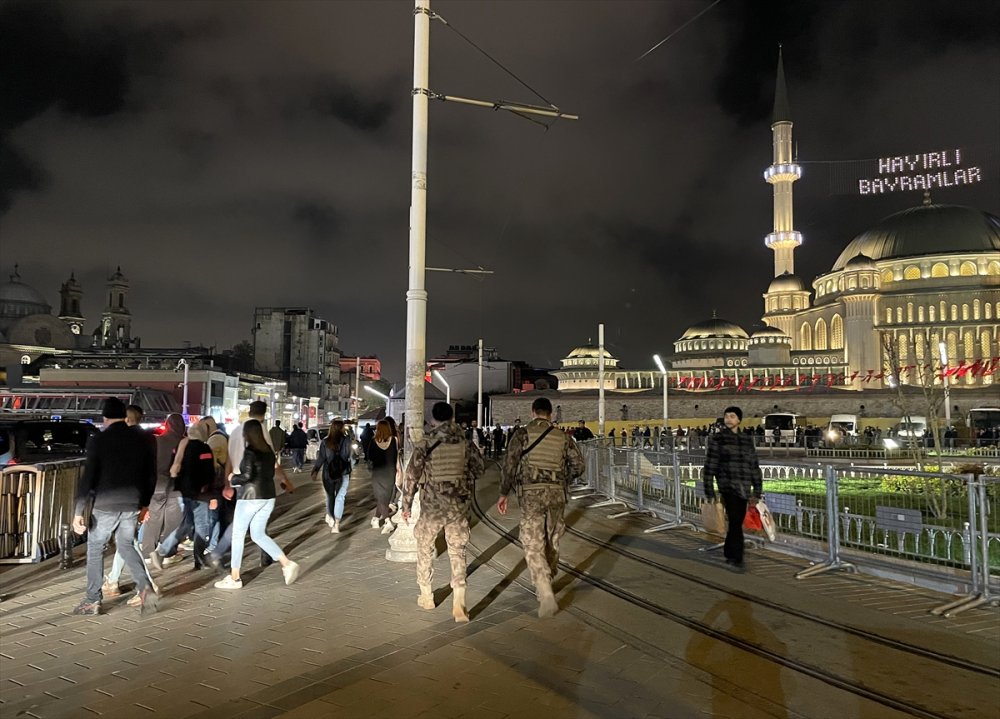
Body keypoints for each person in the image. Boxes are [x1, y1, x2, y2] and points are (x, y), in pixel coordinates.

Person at [498, 397, 584, 618]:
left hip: (531, 495)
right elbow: (579, 466)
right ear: (550, 414)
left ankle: (543, 585)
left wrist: (504, 492)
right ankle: (550, 576)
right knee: (552, 538)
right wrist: (563, 480)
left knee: (532, 541)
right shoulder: (563, 437)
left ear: (532, 412)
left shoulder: (522, 434)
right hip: (557, 494)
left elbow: (510, 464)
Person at [71, 398, 158, 615]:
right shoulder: (143, 439)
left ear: (105, 418)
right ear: (125, 416)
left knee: (95, 548)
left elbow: (88, 477)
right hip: (132, 503)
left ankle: (92, 600)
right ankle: (145, 587)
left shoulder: (100, 440)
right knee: (126, 545)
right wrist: (145, 503)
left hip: (105, 504)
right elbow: (151, 474)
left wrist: (78, 511)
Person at [401, 402, 484, 623]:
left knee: (425, 547)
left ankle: (427, 595)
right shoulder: (465, 443)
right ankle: (459, 602)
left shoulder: (425, 443)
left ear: (433, 420)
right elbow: (480, 469)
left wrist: (406, 505)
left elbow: (411, 477)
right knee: (457, 551)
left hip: (432, 508)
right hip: (458, 506)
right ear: (453, 417)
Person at [214, 419, 299, 589]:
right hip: (268, 496)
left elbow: (247, 476)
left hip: (250, 497)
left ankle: (235, 577)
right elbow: (270, 471)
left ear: (248, 434)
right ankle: (286, 563)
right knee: (258, 534)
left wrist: (233, 478)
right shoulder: (268, 451)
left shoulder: (250, 452)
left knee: (238, 535)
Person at [103, 405, 158, 604]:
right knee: (126, 540)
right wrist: (146, 503)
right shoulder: (148, 438)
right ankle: (113, 579)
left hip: (123, 498)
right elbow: (150, 473)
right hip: (138, 497)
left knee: (129, 542)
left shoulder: (124, 439)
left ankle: (147, 585)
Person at [702, 406, 763, 571]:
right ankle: (737, 557)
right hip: (727, 485)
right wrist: (709, 489)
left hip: (744, 486)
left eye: (732, 416)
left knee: (737, 521)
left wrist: (757, 489)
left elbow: (754, 466)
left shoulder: (746, 439)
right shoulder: (718, 439)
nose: (729, 419)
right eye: (726, 416)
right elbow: (710, 465)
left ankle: (730, 552)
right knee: (735, 520)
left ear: (739, 420)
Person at [143, 413, 186, 564]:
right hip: (176, 486)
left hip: (157, 484)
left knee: (154, 519)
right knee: (173, 521)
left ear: (167, 425)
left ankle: (148, 553)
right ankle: (167, 554)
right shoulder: (185, 442)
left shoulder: (156, 441)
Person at [312, 420, 353, 533]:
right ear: (342, 429)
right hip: (343, 472)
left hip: (328, 473)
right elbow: (346, 456)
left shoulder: (325, 442)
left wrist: (315, 470)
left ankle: (331, 516)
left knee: (330, 496)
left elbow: (321, 458)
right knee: (340, 497)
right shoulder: (346, 440)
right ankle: (337, 524)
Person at [367, 419, 399, 533]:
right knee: (384, 497)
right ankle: (375, 519)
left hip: (378, 472)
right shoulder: (394, 440)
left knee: (381, 497)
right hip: (390, 472)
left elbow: (369, 457)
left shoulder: (373, 441)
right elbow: (396, 456)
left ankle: (387, 520)